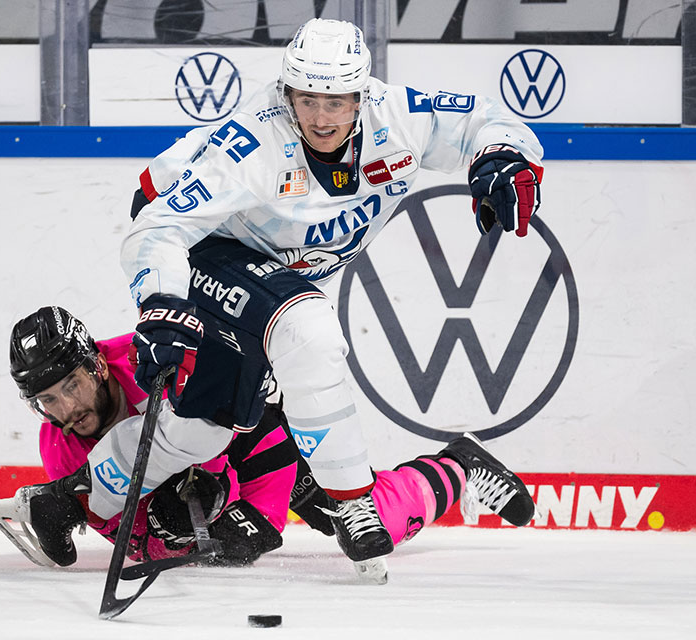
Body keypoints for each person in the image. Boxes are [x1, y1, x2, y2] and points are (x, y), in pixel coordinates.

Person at [113, 17, 542, 574]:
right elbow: (156, 226)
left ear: (363, 96)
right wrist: (162, 307)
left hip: (282, 309)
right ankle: (75, 498)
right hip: (217, 264)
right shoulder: (252, 142)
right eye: (307, 98)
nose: (320, 117)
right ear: (286, 91)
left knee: (351, 510)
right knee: (277, 362)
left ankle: (456, 467)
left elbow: (490, 120)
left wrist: (503, 158)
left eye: (337, 102)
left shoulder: (399, 118)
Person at [0, 307, 536, 583]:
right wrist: (168, 532)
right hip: (207, 481)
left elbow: (238, 402)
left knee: (356, 519)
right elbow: (127, 537)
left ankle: (460, 466)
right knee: (225, 546)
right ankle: (456, 466)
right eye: (47, 400)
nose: (67, 410)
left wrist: (232, 494)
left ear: (95, 366)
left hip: (252, 436)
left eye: (71, 387)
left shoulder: (149, 359)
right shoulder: (61, 449)